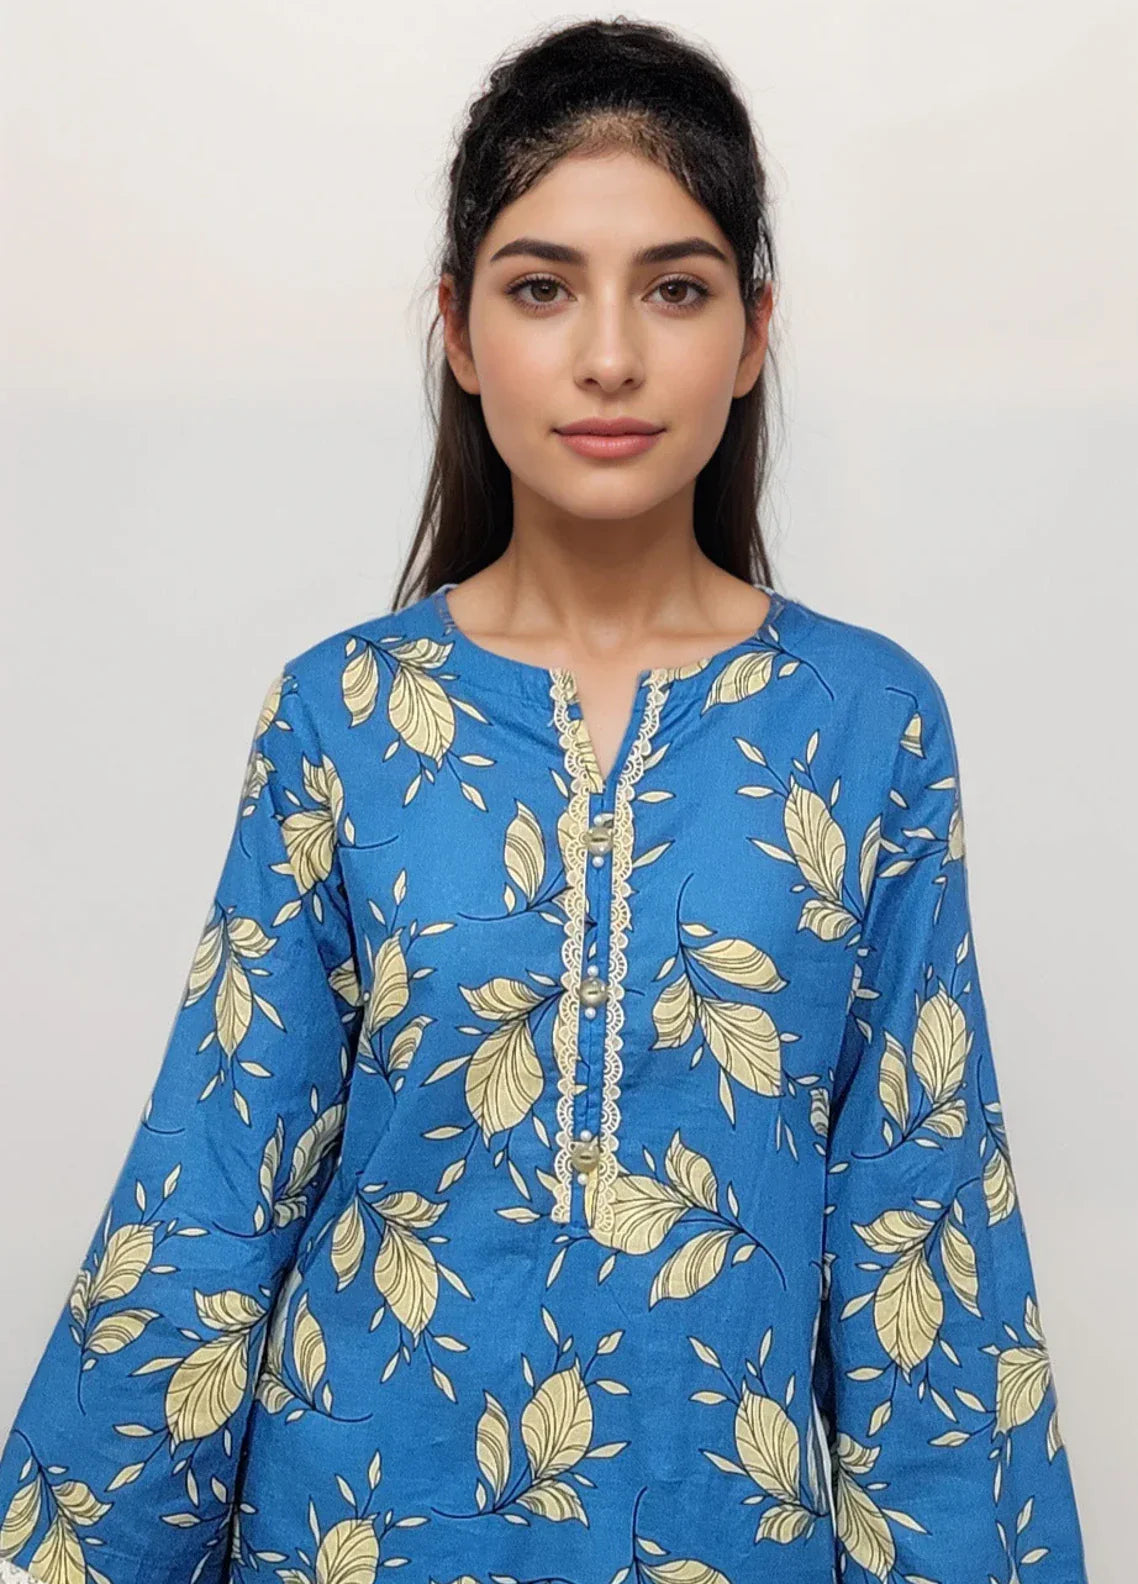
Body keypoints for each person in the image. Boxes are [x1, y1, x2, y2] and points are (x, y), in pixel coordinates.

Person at [0, 17, 1089, 1584]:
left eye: (674, 288)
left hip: (723, 1537)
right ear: (456, 329)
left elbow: (926, 1229)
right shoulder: (345, 714)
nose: (609, 355)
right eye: (540, 287)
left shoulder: (865, 724)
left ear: (753, 330)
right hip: (354, 1537)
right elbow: (214, 1189)